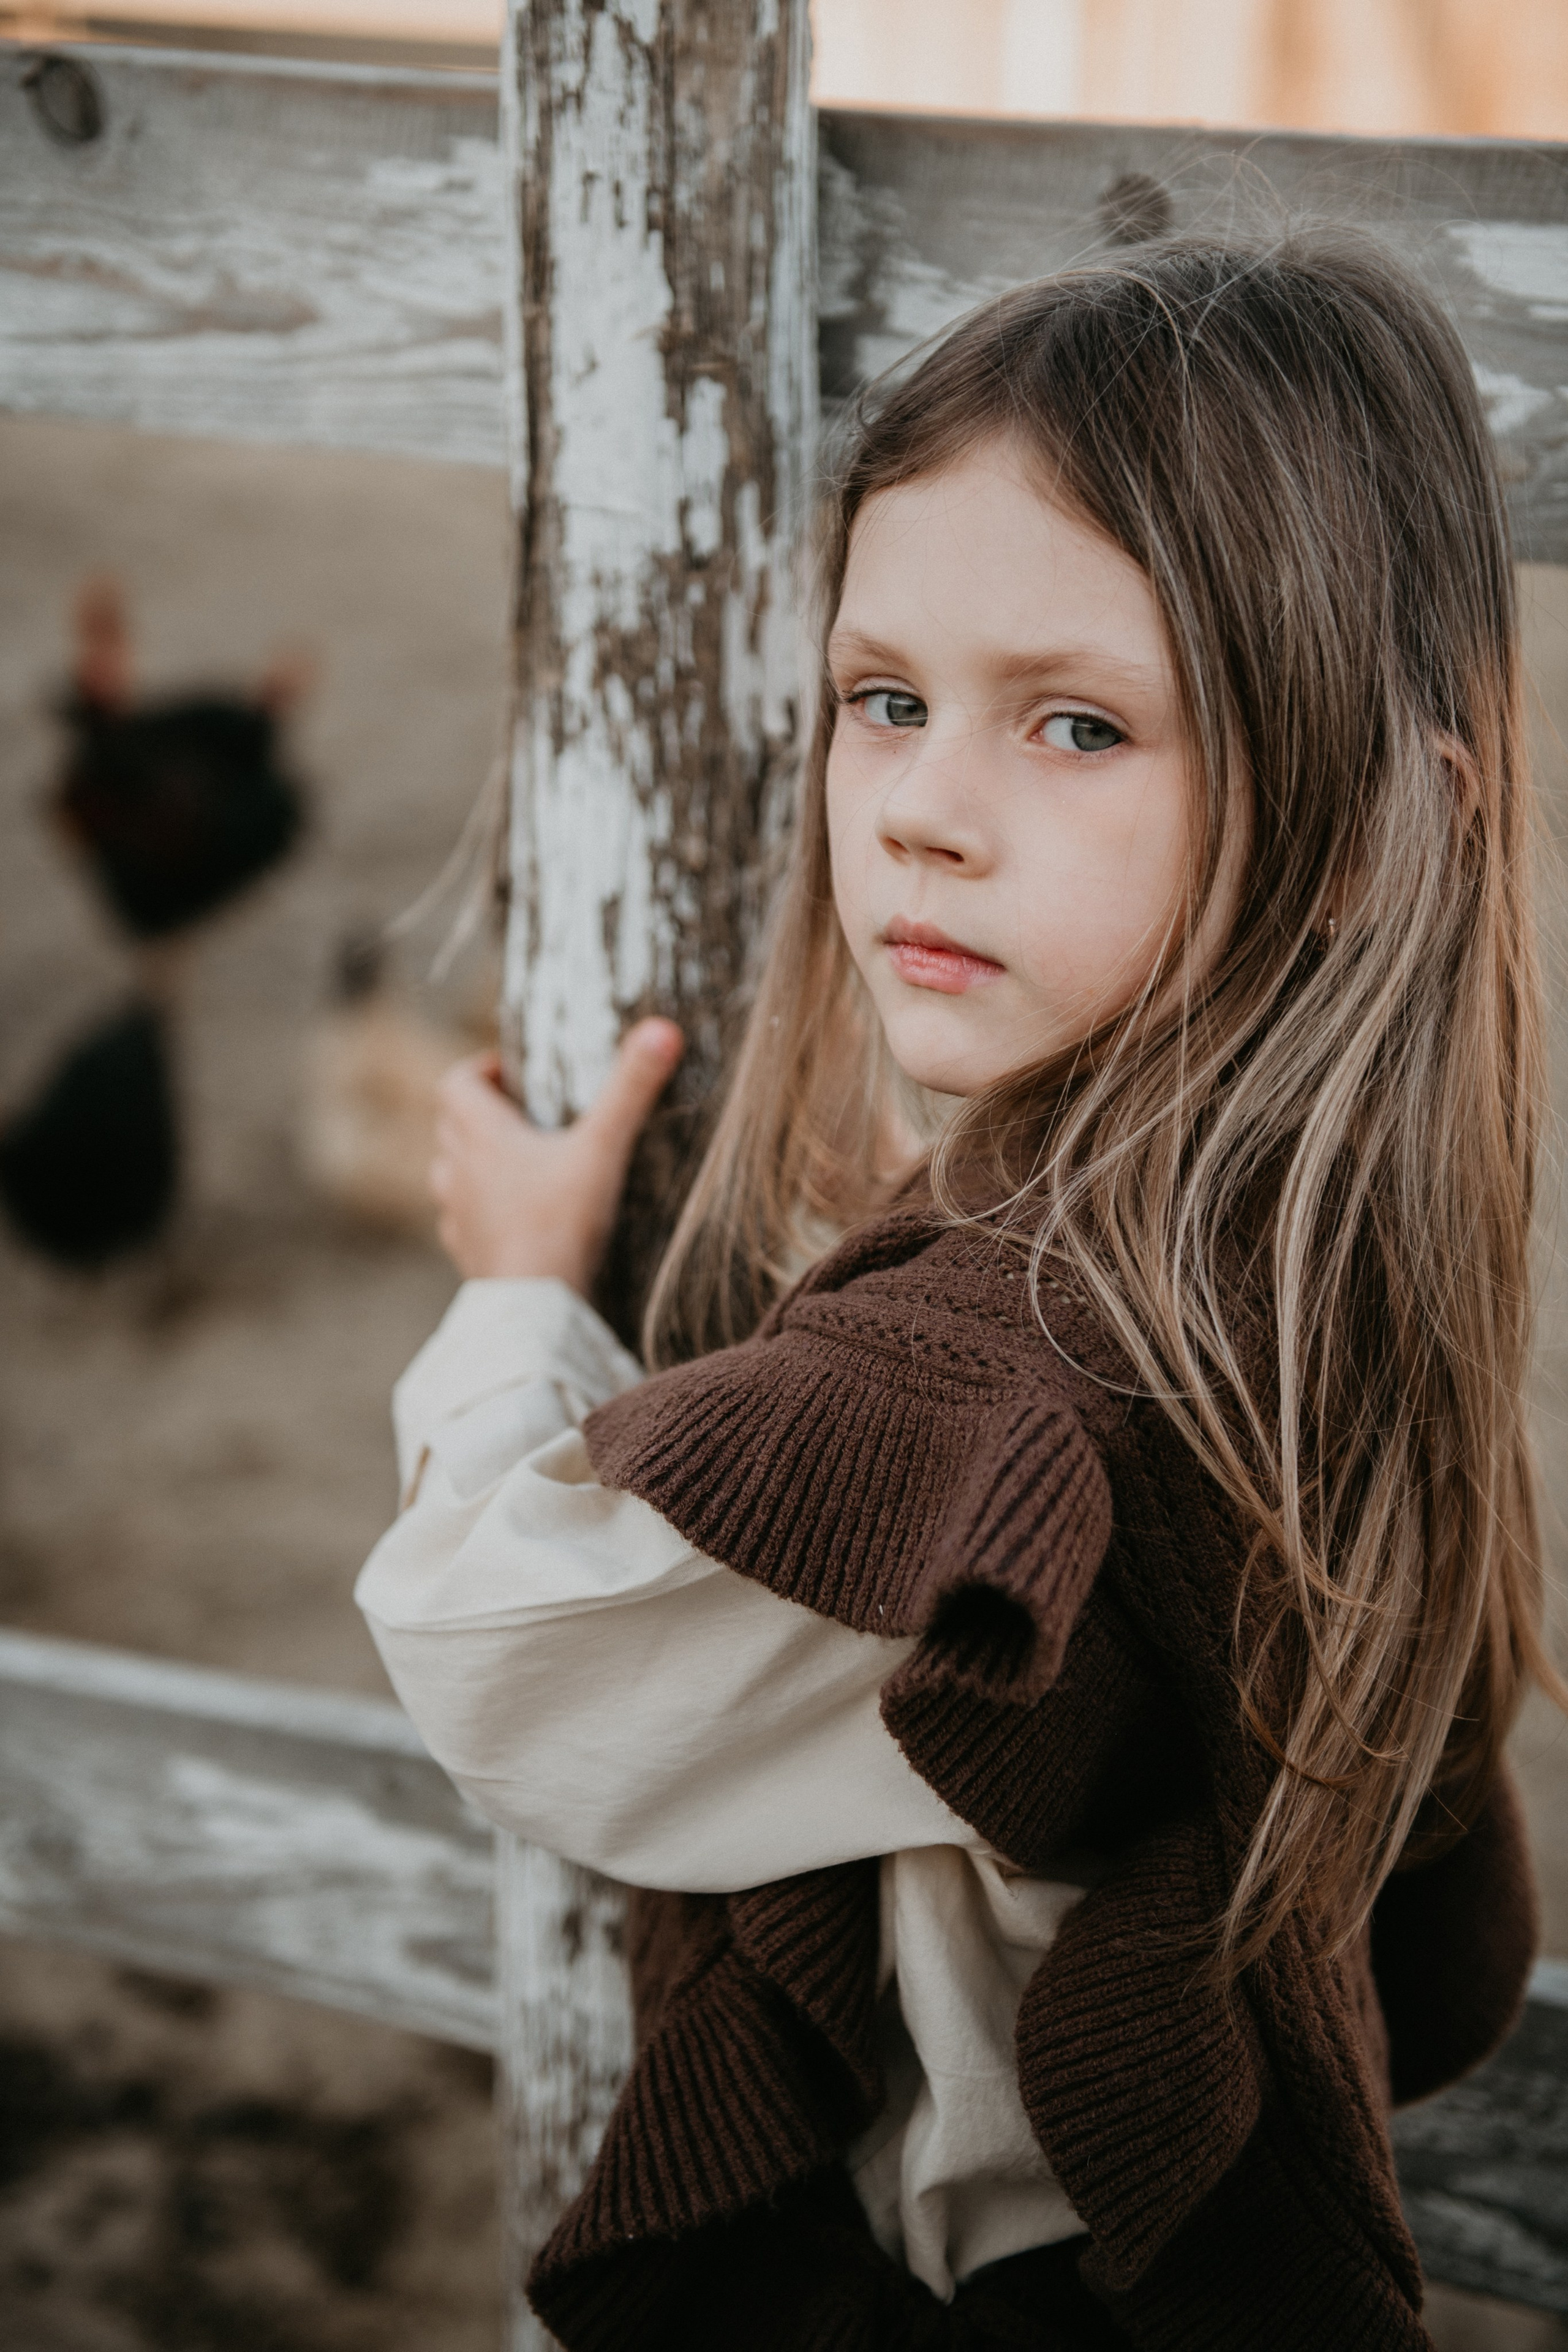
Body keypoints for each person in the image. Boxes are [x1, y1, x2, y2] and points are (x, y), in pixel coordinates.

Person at [356, 232, 1556, 2350]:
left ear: (1379, 830)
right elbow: (1441, 1953)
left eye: (1079, 726)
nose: (921, 810)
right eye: (885, 700)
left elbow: (498, 1653)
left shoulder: (989, 1382)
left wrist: (520, 1305)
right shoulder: (1346, 1267)